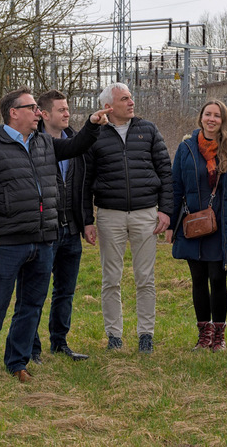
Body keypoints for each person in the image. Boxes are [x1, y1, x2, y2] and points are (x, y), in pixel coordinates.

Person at [0, 87, 110, 384]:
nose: (37, 112)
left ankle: (18, 363)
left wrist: (93, 125)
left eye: (37, 107)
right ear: (13, 113)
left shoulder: (44, 142)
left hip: (44, 238)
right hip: (7, 240)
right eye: (31, 107)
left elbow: (75, 147)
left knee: (30, 306)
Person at [82, 83, 173, 354]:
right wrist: (88, 220)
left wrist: (165, 210)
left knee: (145, 277)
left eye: (131, 97)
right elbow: (85, 181)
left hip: (146, 213)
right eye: (125, 99)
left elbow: (165, 172)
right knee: (111, 278)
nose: (131, 102)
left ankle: (146, 334)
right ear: (109, 106)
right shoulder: (95, 136)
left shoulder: (149, 130)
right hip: (110, 216)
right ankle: (114, 336)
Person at [166, 100, 227, 352]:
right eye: (208, 114)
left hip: (223, 226)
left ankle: (218, 336)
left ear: (223, 120)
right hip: (193, 225)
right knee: (197, 279)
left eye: (217, 115)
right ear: (201, 118)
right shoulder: (186, 149)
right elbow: (175, 188)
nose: (212, 119)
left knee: (218, 278)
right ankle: (203, 335)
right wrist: (171, 224)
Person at [30, 90, 90, 363]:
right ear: (44, 114)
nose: (67, 113)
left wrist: (86, 221)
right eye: (61, 110)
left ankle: (59, 342)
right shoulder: (33, 144)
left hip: (71, 229)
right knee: (36, 291)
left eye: (68, 109)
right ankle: (32, 347)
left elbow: (84, 186)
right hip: (45, 231)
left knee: (65, 291)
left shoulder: (77, 143)